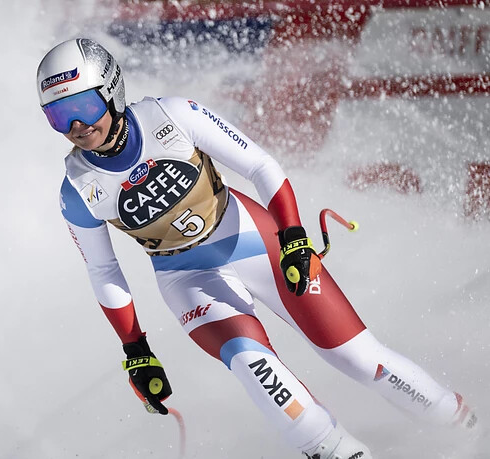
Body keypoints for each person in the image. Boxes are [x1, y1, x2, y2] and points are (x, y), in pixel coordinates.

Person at [36, 37, 478, 458]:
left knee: (358, 359)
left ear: (111, 91)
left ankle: (465, 430)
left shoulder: (171, 116)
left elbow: (260, 165)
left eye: (83, 106)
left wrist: (292, 236)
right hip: (187, 279)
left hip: (252, 236)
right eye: (58, 116)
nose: (77, 126)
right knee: (255, 367)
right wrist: (136, 350)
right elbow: (104, 271)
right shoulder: (76, 188)